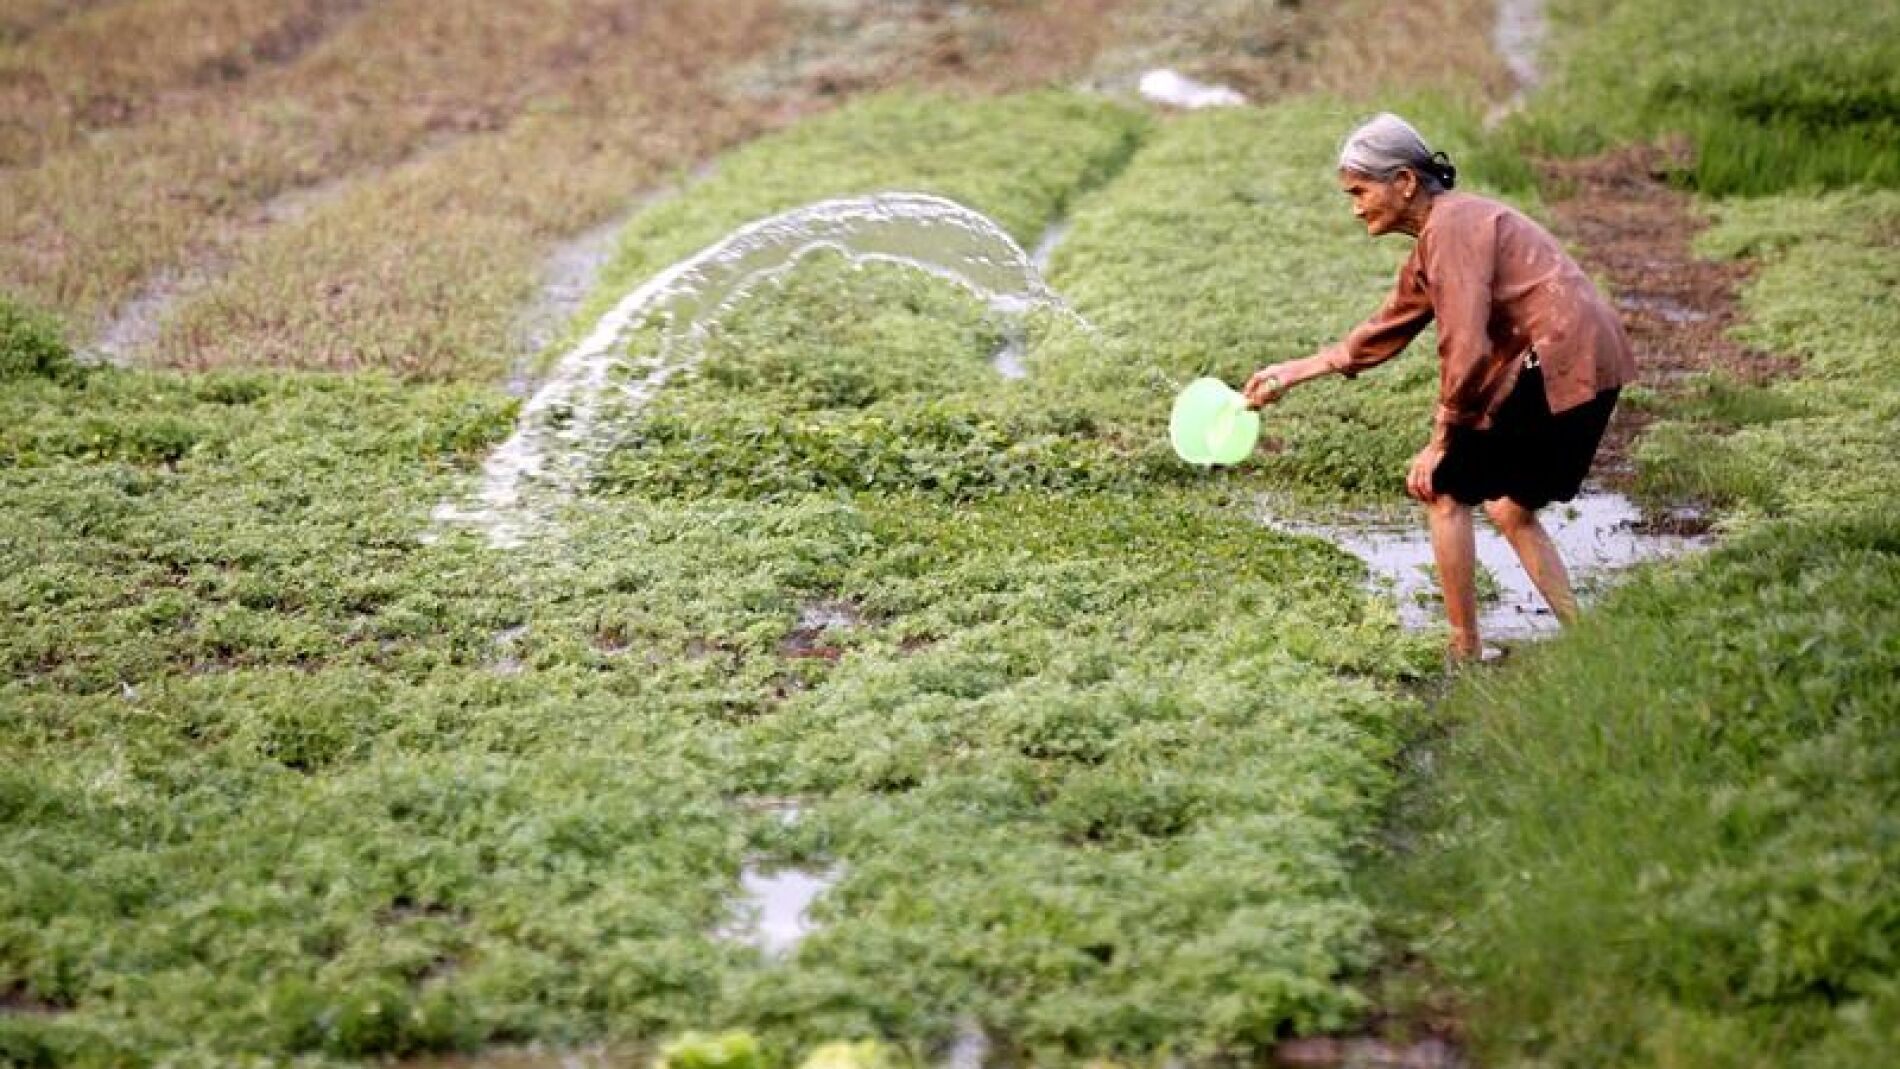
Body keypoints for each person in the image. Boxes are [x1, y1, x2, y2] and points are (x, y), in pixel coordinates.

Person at [1243, 113, 1635, 662]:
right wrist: (1292, 372)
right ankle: (1586, 638)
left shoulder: (1450, 230)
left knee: (1444, 488)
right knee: (1509, 508)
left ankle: (1463, 648)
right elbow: (1388, 327)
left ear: (1404, 182)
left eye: (1360, 191)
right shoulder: (1442, 234)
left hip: (1559, 354)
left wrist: (1443, 438)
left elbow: (1466, 348)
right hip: (1594, 354)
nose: (1355, 207)